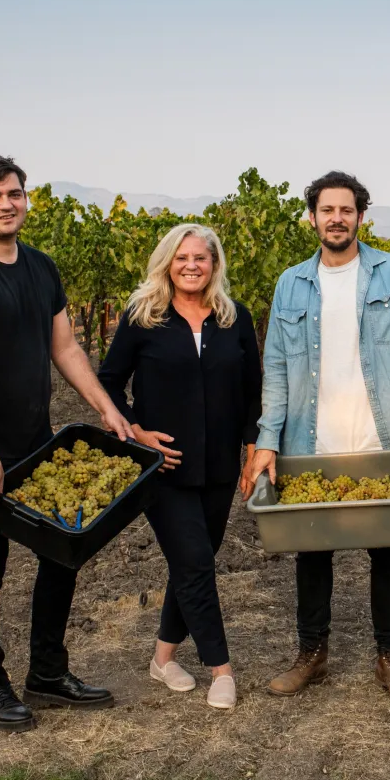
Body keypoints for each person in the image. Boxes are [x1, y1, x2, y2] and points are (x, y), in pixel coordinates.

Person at [0, 153, 133, 732]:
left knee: (62, 551)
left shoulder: (40, 267)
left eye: (14, 193)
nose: (6, 203)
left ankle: (47, 673)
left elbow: (63, 349)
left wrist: (108, 408)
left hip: (35, 441)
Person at [246, 170, 390, 703]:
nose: (336, 218)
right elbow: (278, 367)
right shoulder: (291, 283)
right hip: (312, 438)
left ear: (360, 216)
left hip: (384, 435)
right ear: (312, 218)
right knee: (311, 550)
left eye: (346, 210)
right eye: (327, 210)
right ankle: (312, 655)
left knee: (388, 551)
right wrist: (267, 438)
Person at [98, 223, 261, 709]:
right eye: (182, 257)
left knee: (194, 563)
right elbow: (107, 383)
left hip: (220, 467)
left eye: (201, 258)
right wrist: (136, 432)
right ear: (167, 262)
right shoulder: (142, 316)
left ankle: (162, 658)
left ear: (215, 265)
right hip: (162, 469)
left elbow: (254, 393)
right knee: (194, 562)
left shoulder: (235, 319)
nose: (191, 265)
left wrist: (253, 451)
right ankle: (222, 671)